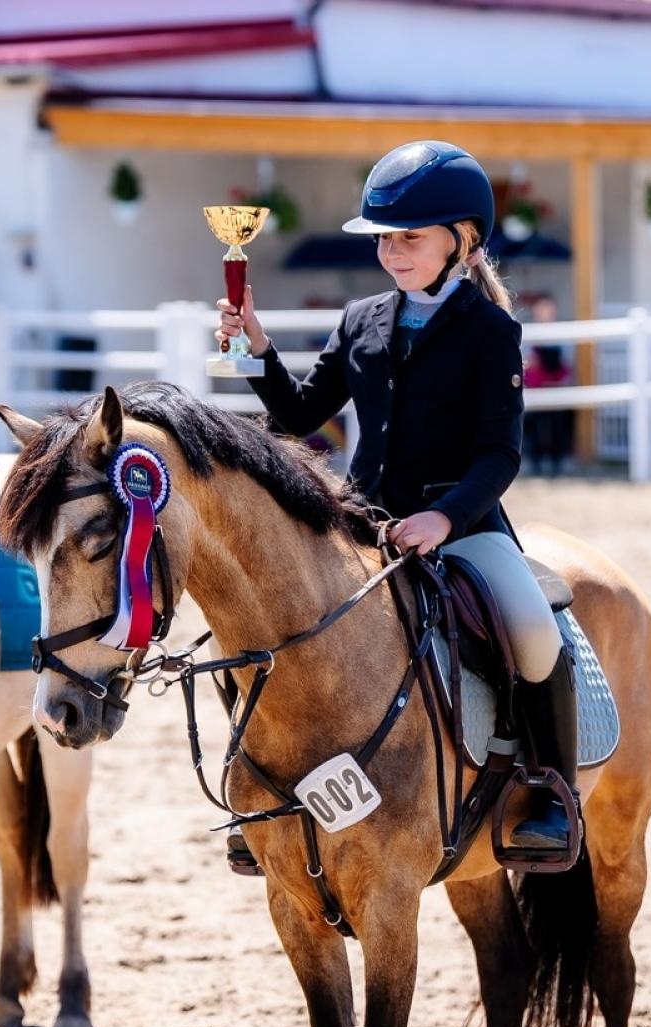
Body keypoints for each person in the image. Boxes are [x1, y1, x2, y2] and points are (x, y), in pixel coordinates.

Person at [215, 140, 579, 863]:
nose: (392, 251)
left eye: (409, 237)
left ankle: (550, 790)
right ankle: (258, 791)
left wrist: (446, 517)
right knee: (254, 626)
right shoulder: (361, 319)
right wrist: (253, 350)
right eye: (385, 238)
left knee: (536, 636)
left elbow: (499, 453)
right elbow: (297, 415)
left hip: (461, 521)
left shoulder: (489, 330)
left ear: (463, 241)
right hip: (362, 521)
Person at [522, 294, 573, 476]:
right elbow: (525, 362)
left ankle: (556, 462)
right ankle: (536, 462)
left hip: (556, 387)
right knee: (535, 427)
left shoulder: (562, 334)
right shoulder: (527, 332)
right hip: (535, 388)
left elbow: (568, 363)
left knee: (557, 427)